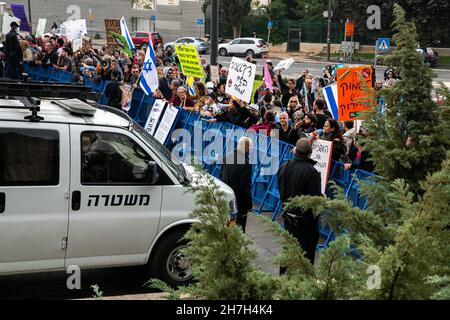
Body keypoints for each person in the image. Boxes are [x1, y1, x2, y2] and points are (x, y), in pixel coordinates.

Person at [278, 138, 322, 267]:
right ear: (310, 152)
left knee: (288, 253)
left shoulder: (284, 166)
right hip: (305, 223)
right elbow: (314, 202)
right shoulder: (311, 172)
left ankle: (285, 281)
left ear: (296, 150)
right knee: (305, 258)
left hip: (288, 218)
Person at [221, 137, 254, 233]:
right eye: (251, 146)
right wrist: (249, 204)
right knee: (238, 228)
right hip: (239, 203)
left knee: (228, 225)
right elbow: (245, 187)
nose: (252, 149)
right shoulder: (245, 163)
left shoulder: (227, 157)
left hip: (226, 198)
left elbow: (221, 176)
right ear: (246, 147)